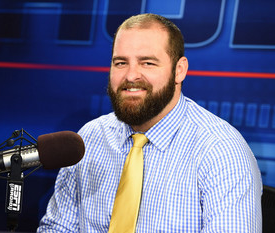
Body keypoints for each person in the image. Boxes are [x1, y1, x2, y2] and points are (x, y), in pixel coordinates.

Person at [37, 13, 262, 232]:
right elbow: (58, 227)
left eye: (147, 63)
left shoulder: (222, 151)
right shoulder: (90, 137)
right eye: (121, 62)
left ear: (179, 70)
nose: (131, 75)